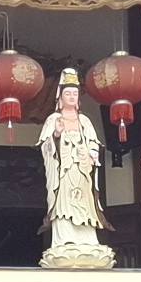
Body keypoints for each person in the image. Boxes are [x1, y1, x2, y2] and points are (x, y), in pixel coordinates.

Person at [37, 67, 112, 267]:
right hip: (63, 172)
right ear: (60, 97)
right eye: (67, 93)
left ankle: (87, 241)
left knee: (85, 205)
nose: (71, 97)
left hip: (82, 171)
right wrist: (56, 135)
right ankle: (65, 239)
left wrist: (90, 154)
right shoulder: (53, 120)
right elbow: (46, 147)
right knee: (63, 205)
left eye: (74, 94)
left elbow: (94, 144)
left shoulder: (84, 121)